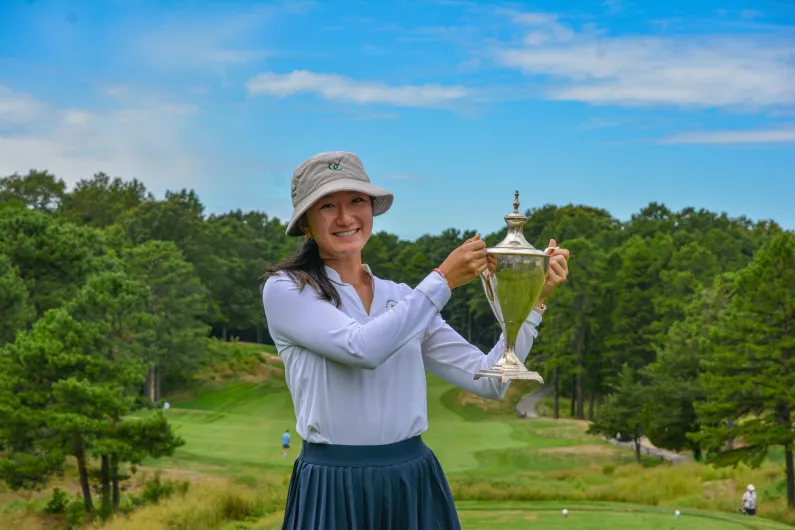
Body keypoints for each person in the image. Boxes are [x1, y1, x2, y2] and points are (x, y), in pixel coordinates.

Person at [261, 151, 569, 530]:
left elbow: (490, 381)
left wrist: (533, 301)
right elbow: (364, 348)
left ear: (372, 209)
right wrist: (443, 279)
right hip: (332, 482)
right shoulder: (287, 290)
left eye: (357, 201)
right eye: (327, 206)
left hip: (413, 480)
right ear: (306, 223)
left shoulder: (404, 297)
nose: (345, 218)